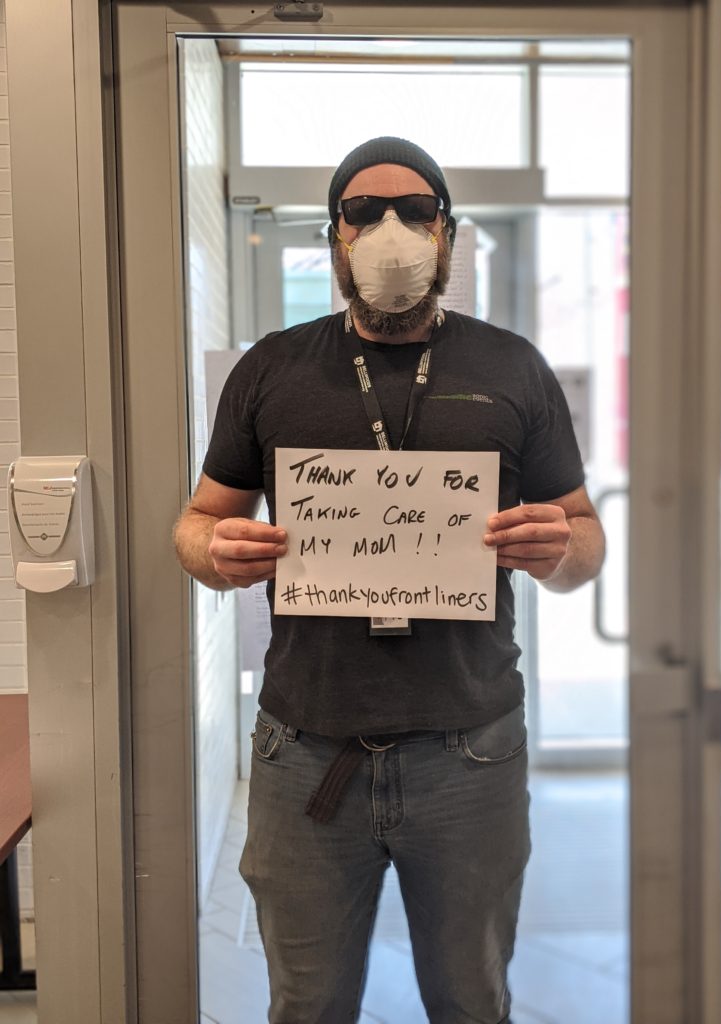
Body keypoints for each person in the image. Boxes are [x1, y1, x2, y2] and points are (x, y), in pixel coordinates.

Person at [173, 136, 605, 1024]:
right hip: (304, 755)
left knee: (471, 1000)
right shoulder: (270, 369)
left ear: (448, 231)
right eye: (363, 212)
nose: (391, 230)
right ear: (333, 235)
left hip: (471, 753)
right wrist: (215, 554)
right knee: (308, 1005)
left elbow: (586, 540)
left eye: (415, 209)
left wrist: (559, 551)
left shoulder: (512, 366)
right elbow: (196, 521)